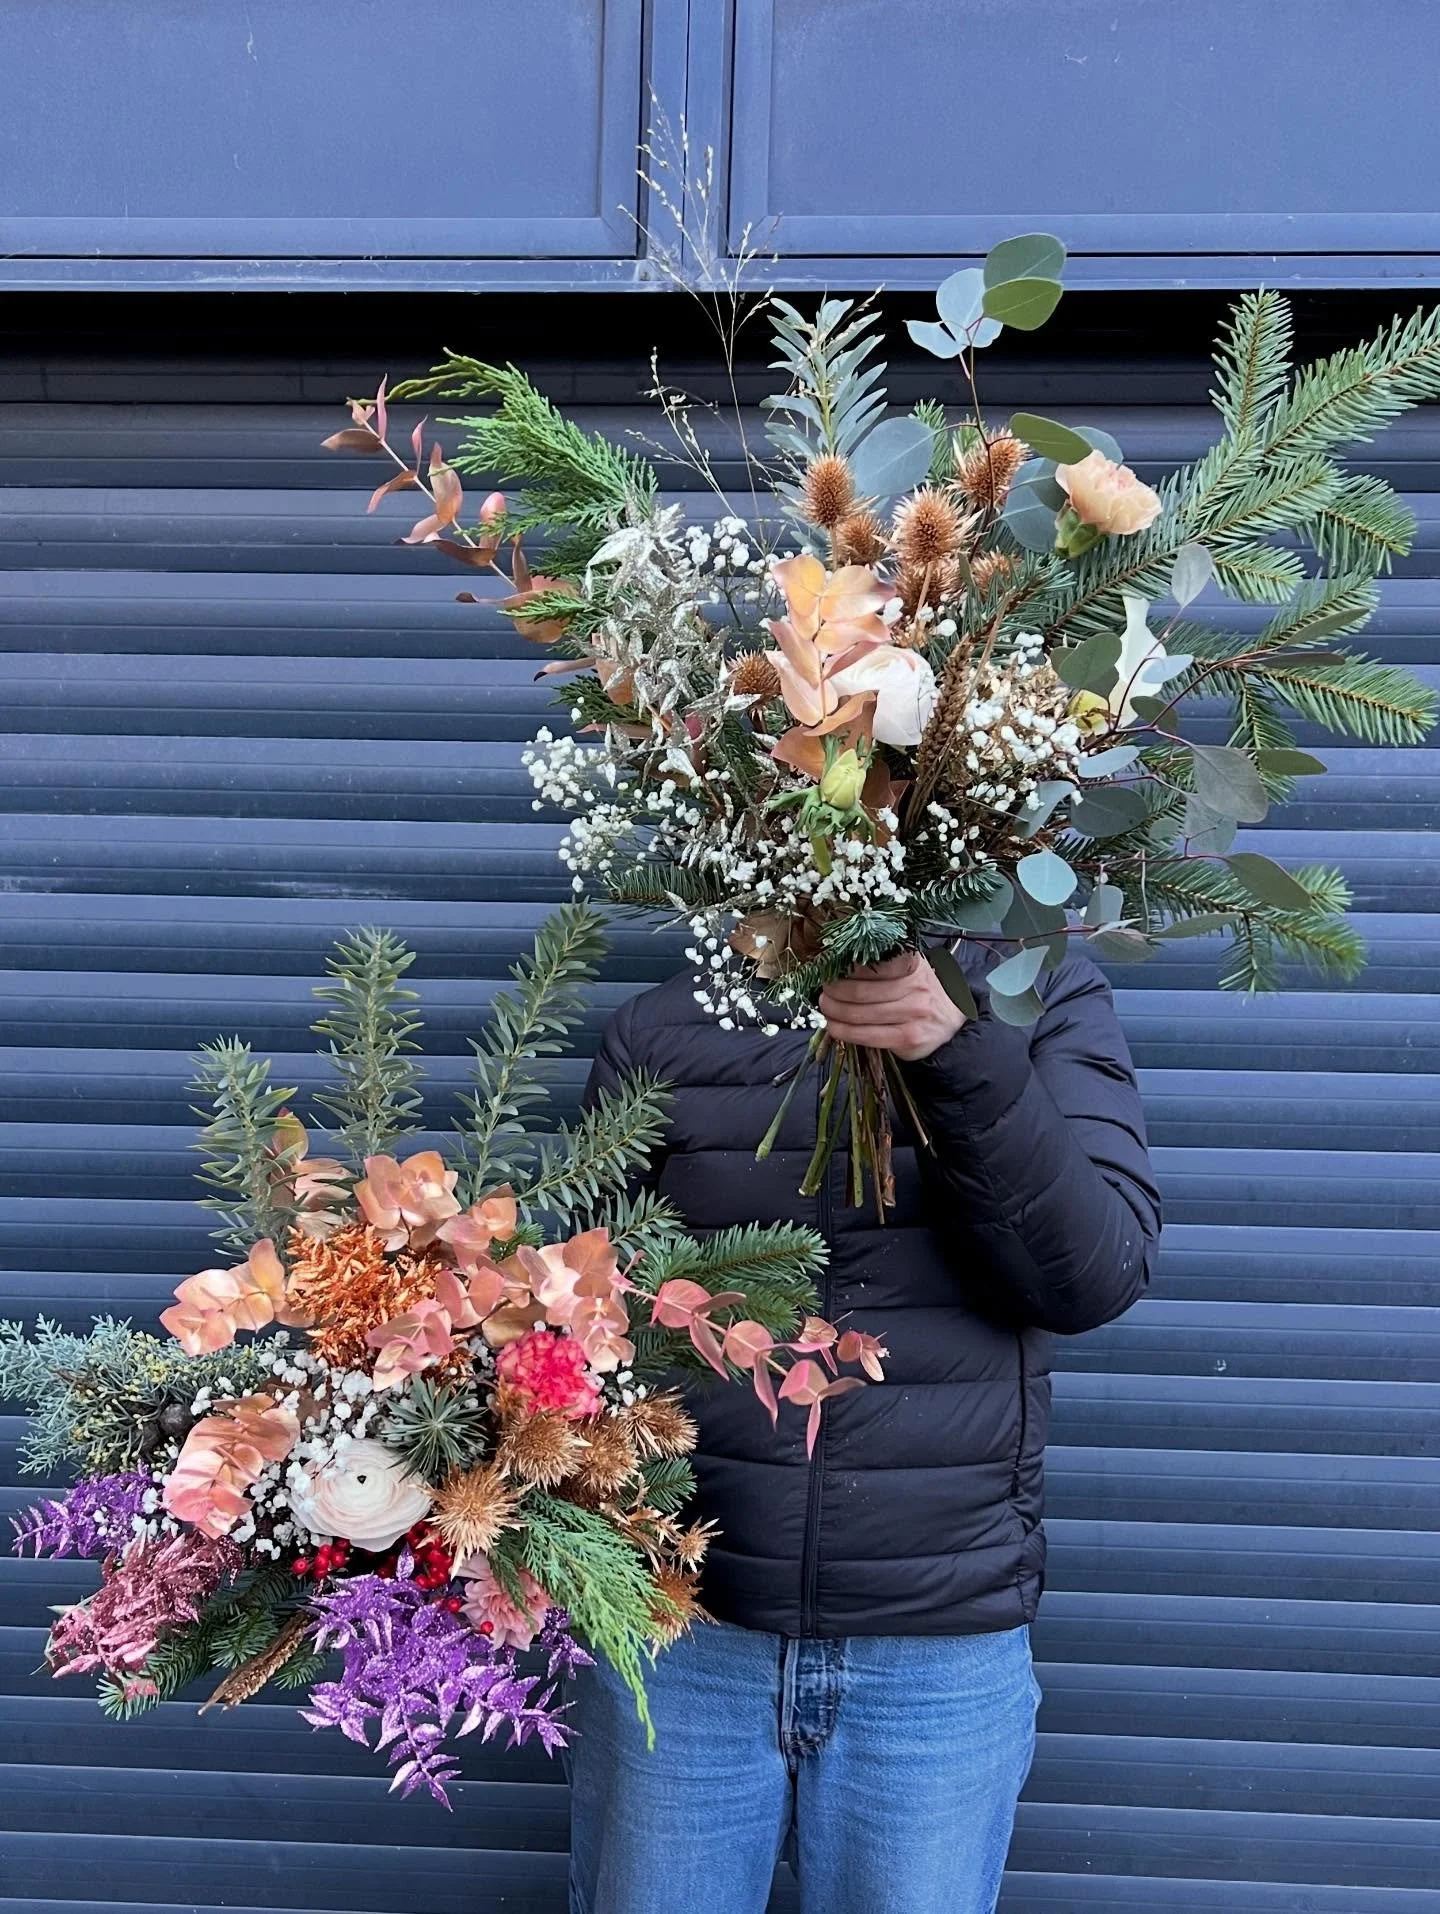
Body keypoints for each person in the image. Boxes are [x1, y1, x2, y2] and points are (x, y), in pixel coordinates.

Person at [568, 945, 1161, 1914]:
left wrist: (959, 1055)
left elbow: (1092, 1277)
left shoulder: (1037, 995)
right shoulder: (662, 1027)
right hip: (682, 1640)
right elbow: (582, 1321)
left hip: (936, 1658)